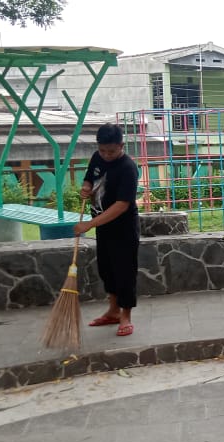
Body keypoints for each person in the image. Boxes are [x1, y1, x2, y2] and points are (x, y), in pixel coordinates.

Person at [74, 123, 140, 337]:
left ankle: (125, 316)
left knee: (124, 271)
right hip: (103, 228)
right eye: (102, 150)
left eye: (111, 151)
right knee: (107, 269)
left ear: (121, 145)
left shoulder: (128, 168)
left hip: (124, 229)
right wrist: (85, 188)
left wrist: (89, 225)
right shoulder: (97, 157)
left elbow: (122, 205)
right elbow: (89, 178)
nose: (106, 155)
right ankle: (112, 311)